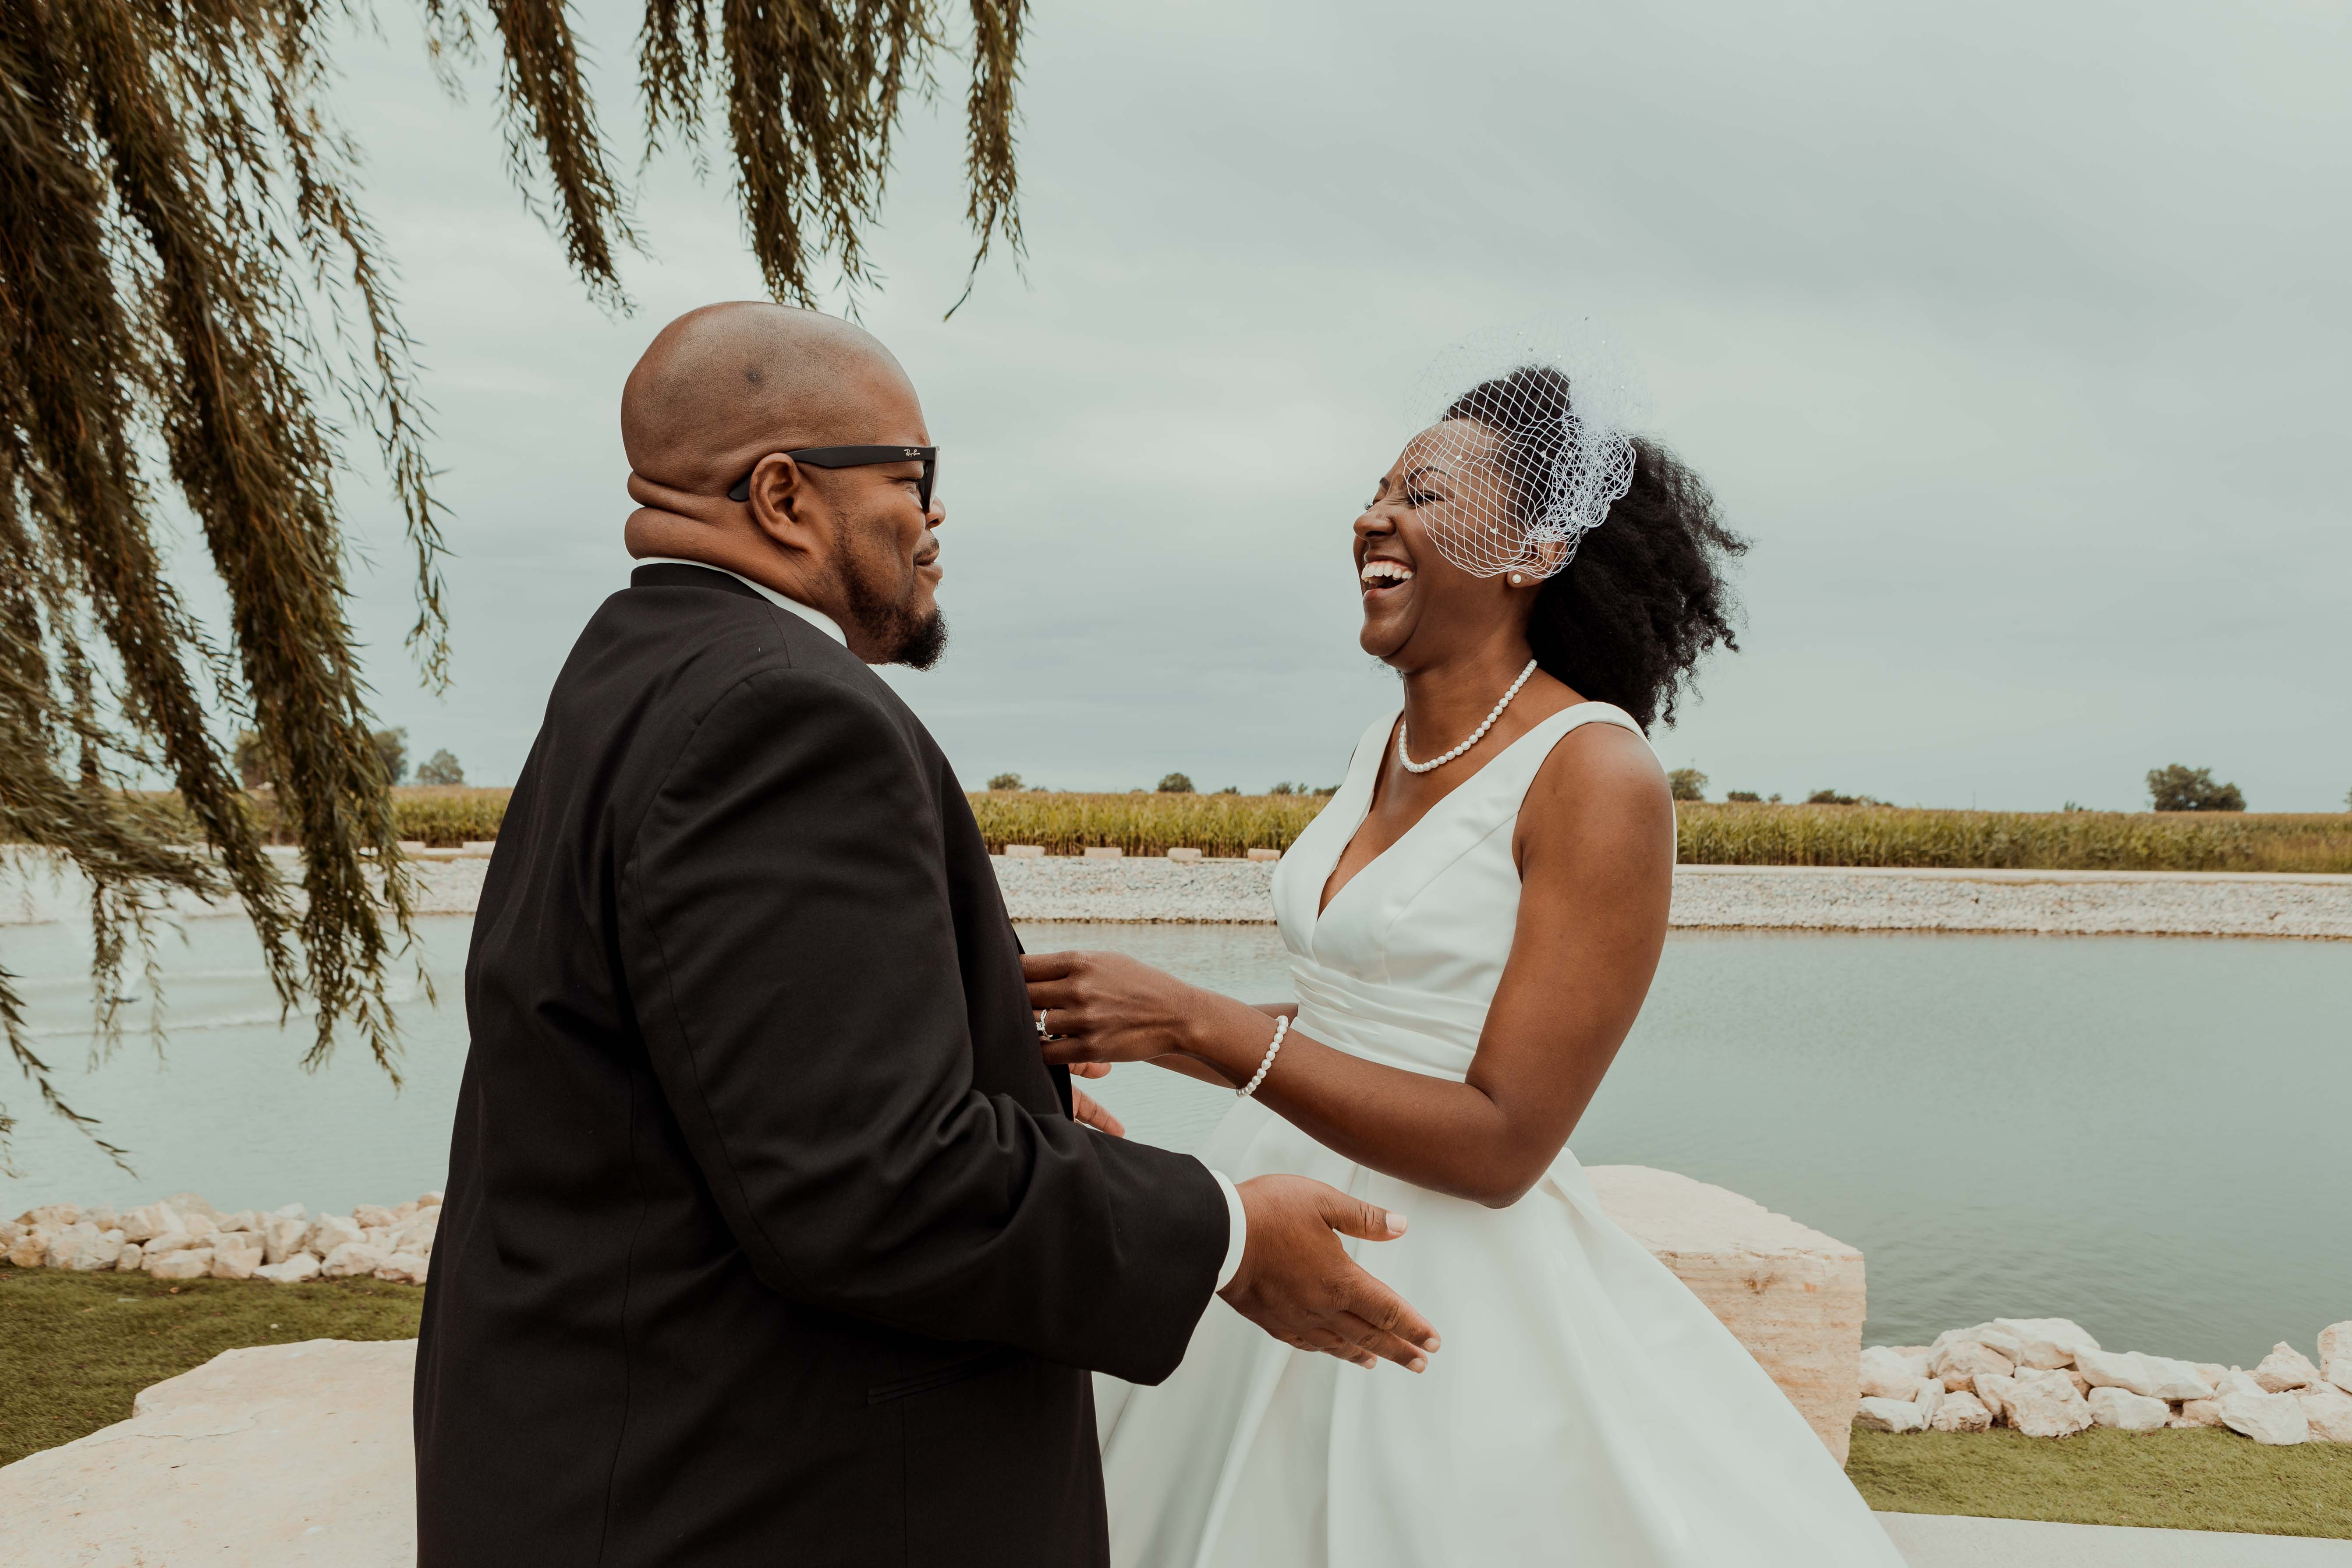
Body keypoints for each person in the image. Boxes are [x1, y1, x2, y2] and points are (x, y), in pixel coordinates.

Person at [412, 302, 1439, 1568]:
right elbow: (872, 1184)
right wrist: (1221, 1232)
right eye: (913, 475)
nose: (935, 516)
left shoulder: (636, 666)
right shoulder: (783, 717)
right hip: (753, 1496)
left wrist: (990, 1060)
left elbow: (729, 1068)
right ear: (785, 495)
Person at [1024, 336, 1909, 1566]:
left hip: (1441, 1278)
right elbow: (1369, 1007)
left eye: (1422, 496)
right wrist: (1121, 1027)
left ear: (1538, 553)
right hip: (1274, 1213)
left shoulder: (1597, 772)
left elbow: (1504, 1140)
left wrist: (1191, 1022)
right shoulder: (1381, 749)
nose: (1373, 517)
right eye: (1379, 491)